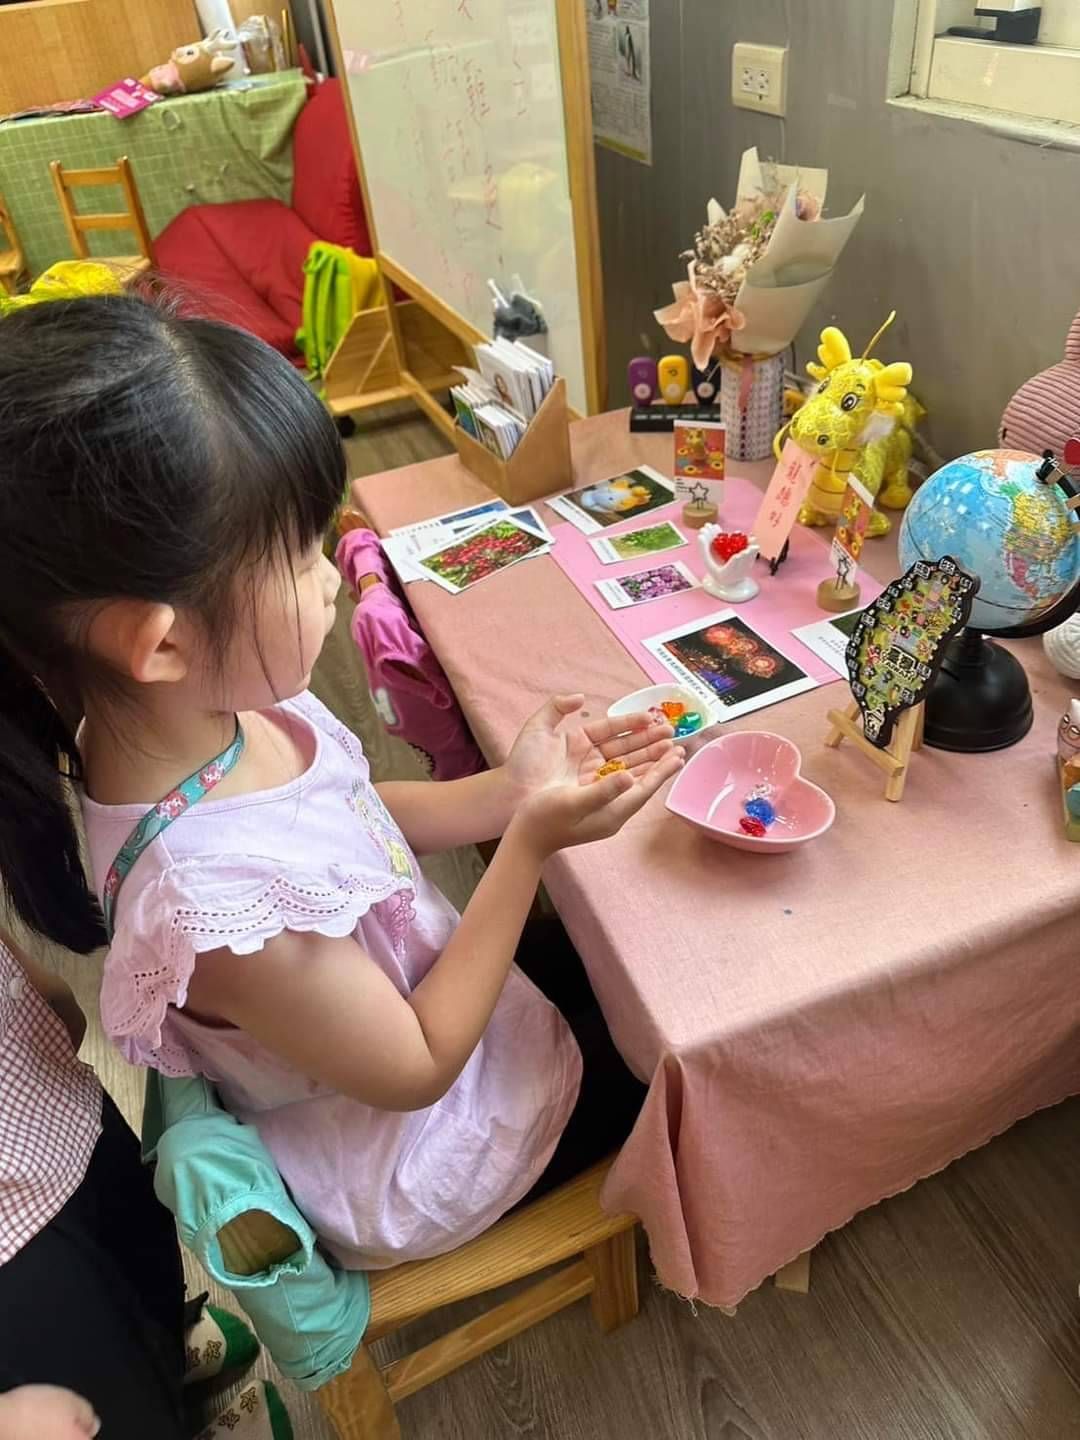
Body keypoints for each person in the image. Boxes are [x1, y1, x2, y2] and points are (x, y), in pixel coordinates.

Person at [0, 292, 683, 1273]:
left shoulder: (201, 716)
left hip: (413, 1016)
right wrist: (527, 845)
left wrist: (505, 794)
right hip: (419, 1149)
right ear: (162, 644)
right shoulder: (214, 906)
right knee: (678, 1048)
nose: (331, 577)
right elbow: (417, 1067)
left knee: (632, 955)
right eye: (299, 553)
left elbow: (346, 816)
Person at [0, 928, 286, 1440]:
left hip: (56, 1112)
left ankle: (160, 1362)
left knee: (149, 1271)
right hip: (13, 1265)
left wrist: (31, 981)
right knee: (96, 1408)